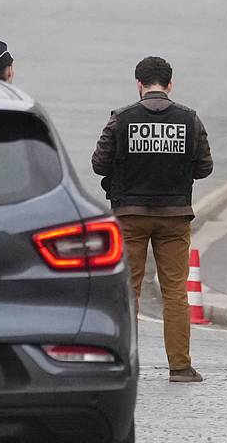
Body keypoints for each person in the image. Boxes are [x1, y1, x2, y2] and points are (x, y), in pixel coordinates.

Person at [91, 55, 213, 383]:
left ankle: (124, 364)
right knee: (175, 291)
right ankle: (180, 367)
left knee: (128, 291)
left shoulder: (121, 119)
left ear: (139, 84)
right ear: (170, 84)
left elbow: (99, 164)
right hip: (174, 217)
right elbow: (205, 167)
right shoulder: (190, 120)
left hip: (130, 215)